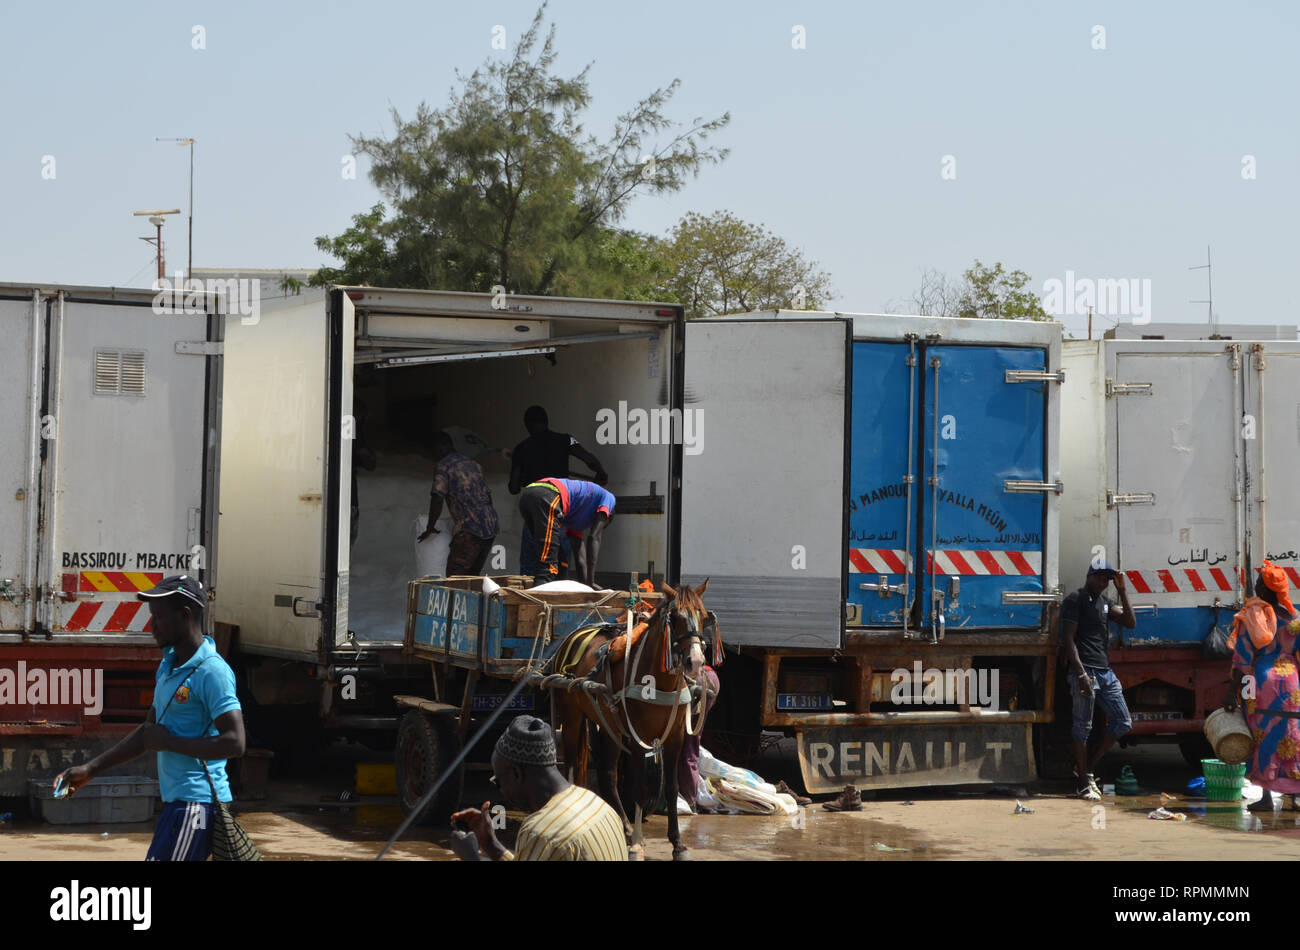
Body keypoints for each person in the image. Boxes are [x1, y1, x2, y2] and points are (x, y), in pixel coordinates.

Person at [54, 575, 245, 861]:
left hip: (196, 804)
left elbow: (235, 742)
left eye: (158, 617)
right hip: (177, 805)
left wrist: (169, 742)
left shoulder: (212, 672)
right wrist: (90, 769)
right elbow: (147, 734)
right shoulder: (168, 666)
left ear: (185, 615)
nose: (151, 625)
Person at [450, 715, 627, 861]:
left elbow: (548, 842)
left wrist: (472, 857)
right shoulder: (598, 805)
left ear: (516, 774)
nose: (501, 790)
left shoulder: (541, 833)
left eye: (498, 781)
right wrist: (491, 845)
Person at [1225, 561, 1300, 812]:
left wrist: (1231, 692)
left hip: (1260, 683)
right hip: (1292, 684)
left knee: (1262, 735)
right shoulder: (1295, 618)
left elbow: (1242, 660)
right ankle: (1296, 796)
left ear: (1268, 589)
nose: (1255, 586)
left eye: (1259, 582)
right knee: (1293, 735)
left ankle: (1267, 797)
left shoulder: (1254, 617)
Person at [1058, 562, 1136, 801]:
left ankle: (1086, 768)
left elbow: (1130, 622)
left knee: (1123, 721)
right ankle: (1082, 783)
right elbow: (1068, 640)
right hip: (1086, 671)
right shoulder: (1075, 599)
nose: (1103, 582)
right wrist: (1080, 674)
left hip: (1105, 671)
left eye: (1107, 579)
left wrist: (1122, 590)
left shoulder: (1105, 603)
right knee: (1083, 727)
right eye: (1099, 578)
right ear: (1089, 576)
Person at [508, 406, 608, 577]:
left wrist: (524, 470)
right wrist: (601, 473)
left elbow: (514, 488)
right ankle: (560, 595)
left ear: (527, 425)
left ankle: (531, 598)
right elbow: (589, 458)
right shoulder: (566, 440)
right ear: (547, 422)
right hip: (560, 508)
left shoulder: (521, 448)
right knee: (561, 559)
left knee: (530, 563)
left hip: (536, 511)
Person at [418, 430, 500, 576]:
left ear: (440, 447)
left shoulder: (443, 466)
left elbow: (437, 499)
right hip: (491, 525)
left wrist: (430, 527)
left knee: (456, 578)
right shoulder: (474, 464)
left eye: (433, 451)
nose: (433, 455)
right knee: (472, 577)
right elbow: (488, 497)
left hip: (470, 529)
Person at [517, 476, 615, 587]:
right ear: (608, 516)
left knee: (546, 557)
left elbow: (580, 557)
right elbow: (594, 537)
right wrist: (591, 581)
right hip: (549, 494)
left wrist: (586, 586)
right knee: (547, 569)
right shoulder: (609, 498)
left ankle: (537, 594)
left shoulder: (575, 518)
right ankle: (541, 601)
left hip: (529, 494)